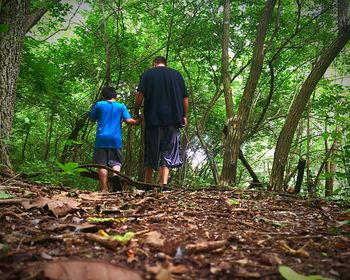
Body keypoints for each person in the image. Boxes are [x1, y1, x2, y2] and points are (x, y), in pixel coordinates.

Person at [134, 56, 189, 187]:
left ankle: (147, 183)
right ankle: (163, 184)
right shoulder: (177, 75)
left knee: (151, 150)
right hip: (173, 119)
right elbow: (185, 98)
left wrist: (136, 111)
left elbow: (139, 94)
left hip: (153, 119)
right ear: (165, 64)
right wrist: (184, 115)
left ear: (154, 64)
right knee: (168, 151)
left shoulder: (148, 74)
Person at [89, 86, 141, 192]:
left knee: (102, 164)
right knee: (116, 162)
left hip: (101, 139)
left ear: (103, 96)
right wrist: (138, 121)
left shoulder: (99, 105)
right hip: (115, 139)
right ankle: (116, 176)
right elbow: (129, 120)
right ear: (116, 96)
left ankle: (104, 189)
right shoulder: (121, 106)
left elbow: (92, 119)